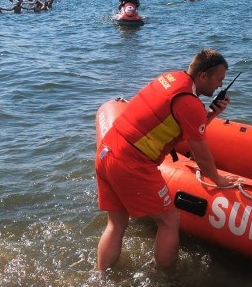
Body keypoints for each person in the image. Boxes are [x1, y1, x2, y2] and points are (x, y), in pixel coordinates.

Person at [95, 48, 237, 271]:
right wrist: (218, 179)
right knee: (169, 221)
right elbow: (201, 155)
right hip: (131, 163)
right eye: (218, 80)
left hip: (106, 151)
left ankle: (102, 277)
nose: (219, 86)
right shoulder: (190, 104)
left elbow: (179, 127)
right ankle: (168, 281)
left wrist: (210, 115)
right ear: (203, 76)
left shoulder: (169, 78)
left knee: (116, 224)